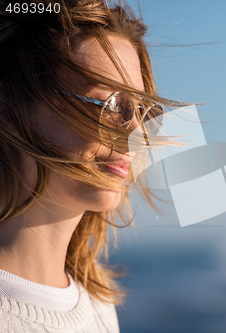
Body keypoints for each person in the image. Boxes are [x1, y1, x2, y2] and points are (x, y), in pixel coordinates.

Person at [0, 0, 184, 331]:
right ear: (10, 108)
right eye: (111, 104)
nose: (135, 132)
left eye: (140, 109)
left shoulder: (98, 305)